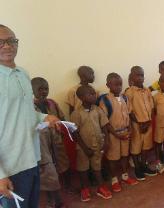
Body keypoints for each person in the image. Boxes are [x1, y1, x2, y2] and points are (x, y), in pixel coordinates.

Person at [0, 24, 60, 208]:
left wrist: (44, 118)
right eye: (0, 42)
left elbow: (25, 113)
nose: (7, 46)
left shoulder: (23, 74)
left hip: (32, 159)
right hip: (9, 168)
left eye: (11, 41)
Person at [70, 85, 113, 202]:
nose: (94, 96)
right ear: (81, 97)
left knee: (97, 167)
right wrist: (84, 148)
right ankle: (85, 189)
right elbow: (75, 133)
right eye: (90, 94)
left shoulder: (98, 110)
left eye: (94, 93)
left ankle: (100, 187)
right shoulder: (76, 114)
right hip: (83, 147)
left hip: (97, 145)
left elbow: (104, 126)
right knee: (83, 168)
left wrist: (106, 141)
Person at [98, 73, 138, 194]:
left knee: (125, 155)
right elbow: (105, 121)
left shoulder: (125, 98)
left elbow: (129, 115)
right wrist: (115, 134)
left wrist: (130, 129)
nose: (118, 87)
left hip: (125, 132)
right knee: (113, 158)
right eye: (115, 84)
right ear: (108, 85)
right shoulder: (105, 100)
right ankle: (115, 180)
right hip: (113, 134)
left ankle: (125, 176)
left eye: (120, 84)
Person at [31, 77, 68, 207]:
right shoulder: (29, 107)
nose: (43, 92)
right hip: (42, 146)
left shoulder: (52, 103)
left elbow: (61, 118)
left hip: (56, 143)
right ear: (32, 90)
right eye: (40, 89)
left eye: (46, 88)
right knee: (47, 172)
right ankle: (53, 201)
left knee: (60, 166)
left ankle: (60, 194)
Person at [125, 66, 157, 181]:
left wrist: (148, 122)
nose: (140, 77)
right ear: (132, 77)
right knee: (136, 147)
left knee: (146, 146)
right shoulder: (129, 92)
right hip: (136, 125)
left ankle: (143, 165)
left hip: (148, 124)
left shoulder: (147, 91)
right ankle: (137, 167)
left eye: (142, 75)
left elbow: (151, 107)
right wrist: (139, 123)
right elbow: (129, 111)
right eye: (137, 75)